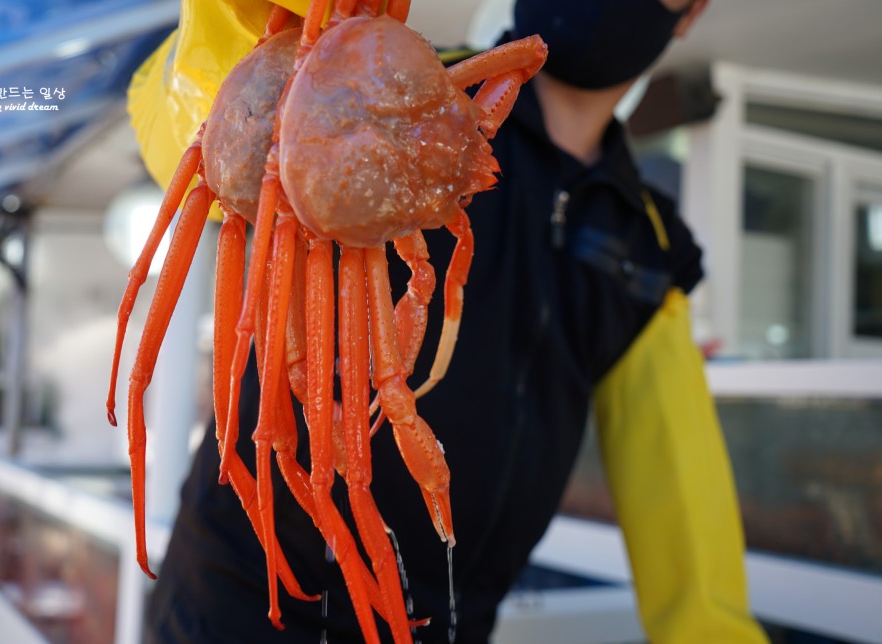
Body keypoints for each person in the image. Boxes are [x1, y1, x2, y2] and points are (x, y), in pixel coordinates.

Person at [130, 0, 769, 642]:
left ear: (691, 14)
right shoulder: (395, 85)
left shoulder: (652, 247)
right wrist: (243, 22)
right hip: (232, 602)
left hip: (444, 626)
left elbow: (681, 497)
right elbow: (196, 144)